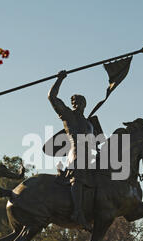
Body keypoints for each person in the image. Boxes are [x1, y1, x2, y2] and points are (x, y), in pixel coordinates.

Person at [48, 70, 94, 231]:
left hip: (90, 155)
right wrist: (59, 79)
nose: (75, 104)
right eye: (73, 102)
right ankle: (78, 213)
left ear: (84, 104)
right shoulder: (68, 116)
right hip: (76, 154)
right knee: (79, 174)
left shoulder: (89, 123)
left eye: (78, 102)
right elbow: (52, 97)